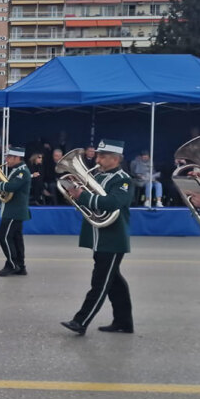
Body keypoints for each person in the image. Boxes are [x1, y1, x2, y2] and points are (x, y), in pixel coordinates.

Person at [60, 139, 135, 336]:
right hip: (99, 237)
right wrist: (74, 193)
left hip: (112, 239)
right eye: (98, 155)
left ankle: (81, 321)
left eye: (102, 156)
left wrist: (82, 196)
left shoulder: (123, 179)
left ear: (116, 158)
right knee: (115, 282)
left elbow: (113, 202)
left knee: (100, 283)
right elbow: (90, 203)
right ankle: (123, 322)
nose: (98, 159)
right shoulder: (99, 177)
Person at [0, 145, 31, 276]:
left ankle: (12, 264)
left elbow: (12, 186)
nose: (6, 159)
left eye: (9, 157)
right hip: (13, 210)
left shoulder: (22, 171)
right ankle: (20, 265)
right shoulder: (16, 170)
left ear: (17, 158)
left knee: (4, 236)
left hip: (14, 211)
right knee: (16, 239)